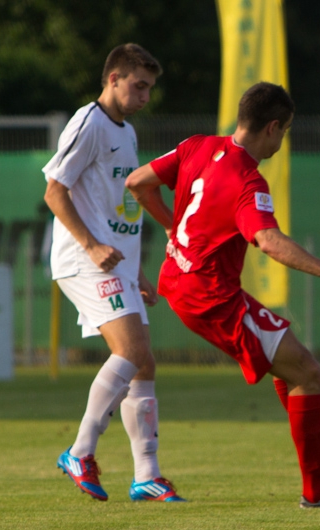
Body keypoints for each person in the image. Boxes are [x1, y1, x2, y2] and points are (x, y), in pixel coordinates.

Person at [125, 81, 320, 509]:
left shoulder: (197, 145)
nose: (282, 141)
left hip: (182, 280)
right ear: (272, 127)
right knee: (307, 371)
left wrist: (173, 227)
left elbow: (138, 182)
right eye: (284, 132)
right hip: (211, 296)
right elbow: (267, 239)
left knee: (291, 364)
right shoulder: (248, 180)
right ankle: (318, 492)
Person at [43, 44, 184, 502]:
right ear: (114, 78)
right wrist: (91, 244)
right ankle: (80, 451)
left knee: (143, 361)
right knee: (132, 348)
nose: (144, 96)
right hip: (84, 258)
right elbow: (54, 191)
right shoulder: (89, 123)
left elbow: (121, 207)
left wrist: (138, 268)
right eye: (138, 86)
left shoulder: (127, 132)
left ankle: (147, 473)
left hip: (116, 261)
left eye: (150, 88)